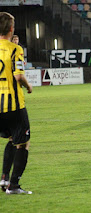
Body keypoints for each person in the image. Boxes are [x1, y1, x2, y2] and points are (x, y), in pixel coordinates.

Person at [0, 12, 33, 194]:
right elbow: (19, 76)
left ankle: (4, 179)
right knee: (23, 143)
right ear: (11, 29)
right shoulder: (15, 49)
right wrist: (28, 86)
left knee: (12, 139)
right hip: (14, 105)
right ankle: (14, 185)